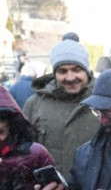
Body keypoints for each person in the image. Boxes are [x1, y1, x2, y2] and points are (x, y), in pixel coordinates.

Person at [22, 39, 98, 177]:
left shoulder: (103, 102)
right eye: (62, 71)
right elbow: (23, 154)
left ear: (87, 71)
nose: (70, 77)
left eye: (76, 70)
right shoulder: (34, 104)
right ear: (54, 73)